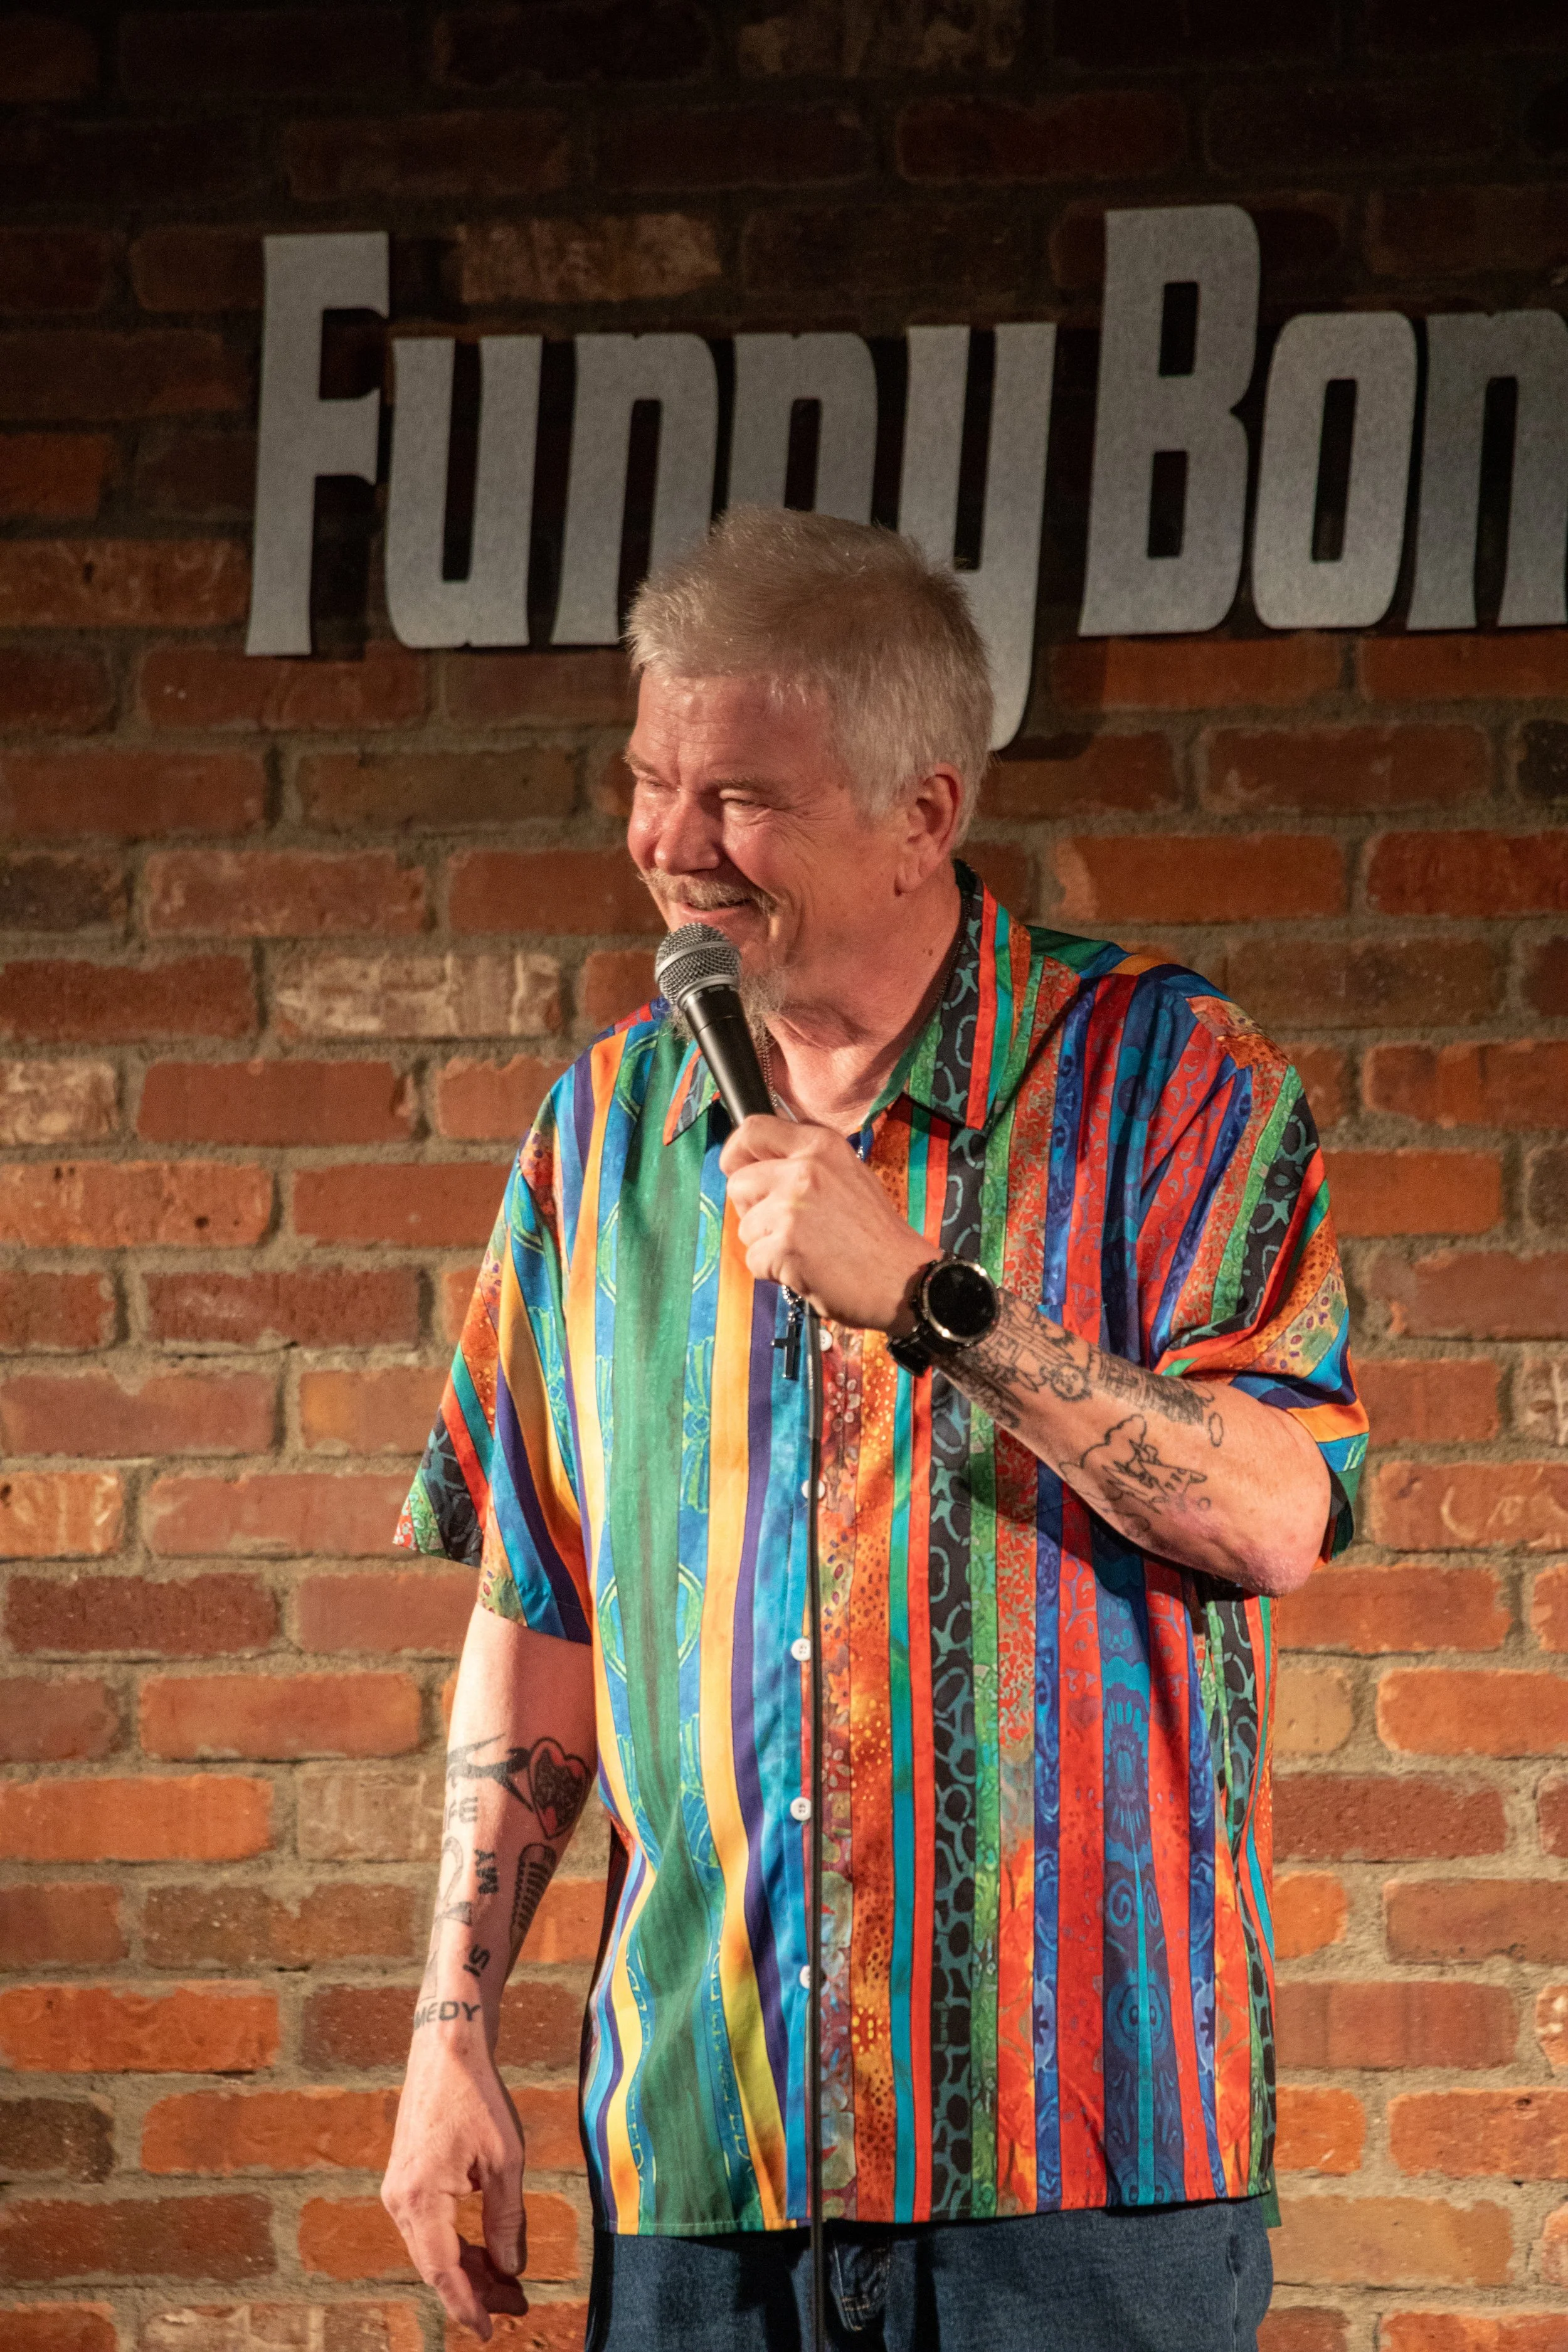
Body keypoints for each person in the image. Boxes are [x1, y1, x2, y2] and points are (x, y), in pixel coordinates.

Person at [380, 506, 1368, 2352]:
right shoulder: (598, 1144)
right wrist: (452, 2043)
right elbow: (540, 1610)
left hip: (1081, 2186)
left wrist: (926, 1296)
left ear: (924, 813)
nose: (669, 847)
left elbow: (1272, 1513)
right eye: (645, 780)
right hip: (701, 2172)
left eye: (738, 796)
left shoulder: (1171, 1079)